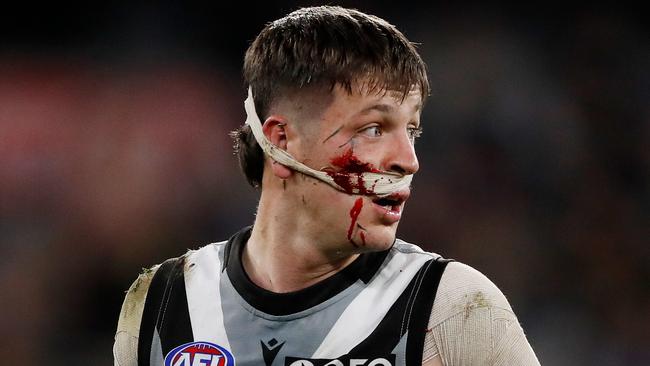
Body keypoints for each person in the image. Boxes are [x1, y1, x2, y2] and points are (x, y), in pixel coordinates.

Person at [114, 6, 540, 366]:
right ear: (282, 140)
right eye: (374, 128)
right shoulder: (161, 302)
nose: (408, 160)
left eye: (412, 131)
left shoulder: (450, 308)